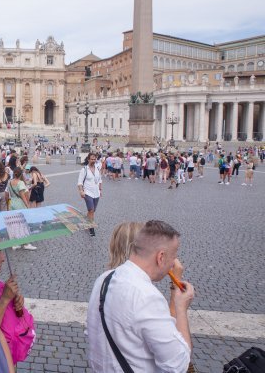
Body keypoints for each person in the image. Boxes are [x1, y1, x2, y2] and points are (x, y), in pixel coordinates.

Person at [87, 220, 195, 372]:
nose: (174, 264)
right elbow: (178, 364)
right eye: (174, 257)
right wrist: (181, 308)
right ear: (161, 257)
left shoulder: (105, 278)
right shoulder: (148, 298)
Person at [8, 168, 35, 251]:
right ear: (20, 175)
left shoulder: (9, 182)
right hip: (19, 204)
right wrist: (27, 205)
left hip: (12, 202)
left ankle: (15, 243)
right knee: (23, 223)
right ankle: (26, 243)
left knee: (14, 223)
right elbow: (23, 196)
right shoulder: (20, 183)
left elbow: (8, 194)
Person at [77, 152, 102, 237]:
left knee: (92, 211)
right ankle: (91, 228)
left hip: (96, 193)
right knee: (91, 210)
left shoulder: (98, 168)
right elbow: (80, 182)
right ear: (88, 159)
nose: (93, 160)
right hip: (87, 192)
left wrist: (100, 189)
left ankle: (86, 223)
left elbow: (99, 180)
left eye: (94, 159)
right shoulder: (84, 169)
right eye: (92, 159)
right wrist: (81, 191)